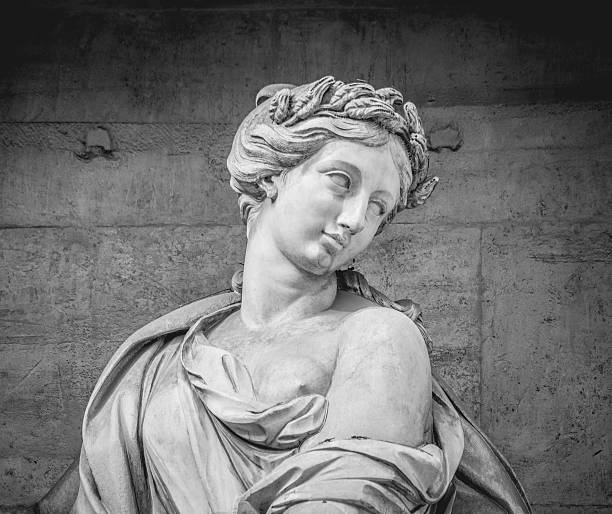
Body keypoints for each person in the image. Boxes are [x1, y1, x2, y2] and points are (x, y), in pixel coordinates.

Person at [34, 76, 532, 513]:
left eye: (378, 208)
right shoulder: (160, 357)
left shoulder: (379, 336)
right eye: (342, 181)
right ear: (275, 172)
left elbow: (347, 501)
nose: (356, 219)